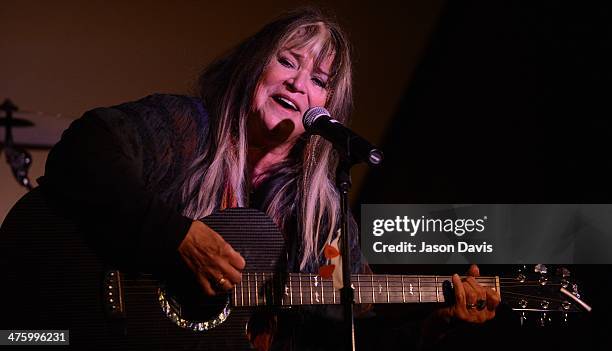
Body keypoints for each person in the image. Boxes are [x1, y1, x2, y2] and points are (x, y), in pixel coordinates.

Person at [38, 7, 499, 350]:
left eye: (320, 79)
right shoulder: (184, 127)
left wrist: (431, 323)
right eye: (288, 61)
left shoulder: (319, 215)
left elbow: (342, 328)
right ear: (254, 64)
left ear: (329, 107)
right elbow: (81, 154)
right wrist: (174, 235)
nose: (300, 84)